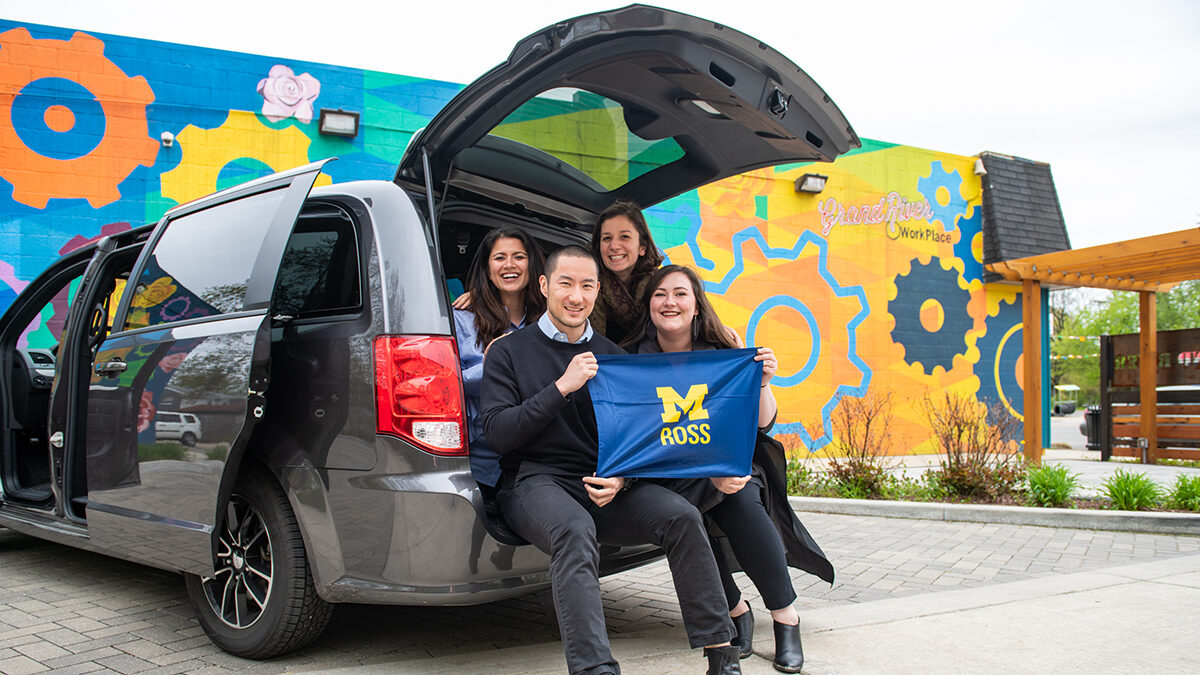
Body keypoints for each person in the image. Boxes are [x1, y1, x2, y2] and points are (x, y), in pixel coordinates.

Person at [481, 246, 743, 675]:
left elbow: (640, 438)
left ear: (597, 292)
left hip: (603, 484)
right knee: (573, 528)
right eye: (565, 283)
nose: (575, 296)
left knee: (681, 516)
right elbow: (498, 434)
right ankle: (594, 667)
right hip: (534, 482)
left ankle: (721, 654)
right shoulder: (509, 351)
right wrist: (561, 387)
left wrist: (622, 477)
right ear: (545, 286)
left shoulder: (615, 358)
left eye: (586, 286)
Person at [624, 264, 835, 674]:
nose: (670, 302)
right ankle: (737, 609)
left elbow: (762, 423)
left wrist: (763, 381)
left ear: (697, 305)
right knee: (685, 522)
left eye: (681, 293)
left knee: (741, 505)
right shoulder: (634, 361)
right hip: (669, 474)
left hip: (727, 466)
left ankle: (786, 618)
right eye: (660, 294)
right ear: (648, 306)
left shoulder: (722, 354)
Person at [454, 226, 546, 489]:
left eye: (519, 256)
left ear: (533, 264)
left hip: (540, 463)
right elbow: (450, 383)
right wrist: (496, 361)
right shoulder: (462, 318)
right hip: (481, 465)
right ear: (487, 268)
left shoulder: (551, 322)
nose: (509, 265)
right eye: (499, 257)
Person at [588, 200, 664, 345]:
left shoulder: (660, 286)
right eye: (607, 238)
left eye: (624, 237)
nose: (614, 246)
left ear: (642, 247)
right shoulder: (585, 285)